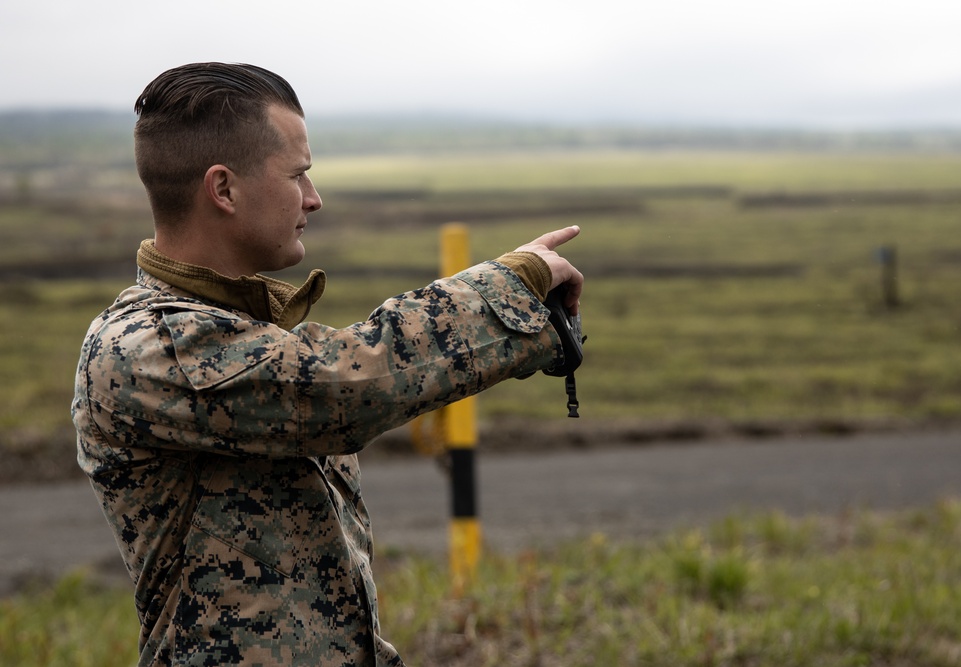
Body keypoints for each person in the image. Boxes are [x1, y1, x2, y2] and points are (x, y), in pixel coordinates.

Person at [71, 62, 583, 666]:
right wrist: (510, 287)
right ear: (224, 189)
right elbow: (343, 385)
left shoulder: (239, 330)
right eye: (298, 175)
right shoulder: (145, 348)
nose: (314, 199)